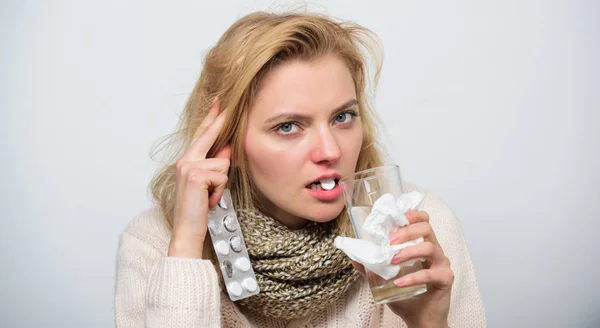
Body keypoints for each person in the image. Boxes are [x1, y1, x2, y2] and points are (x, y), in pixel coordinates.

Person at [114, 11, 486, 327]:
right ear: (228, 144)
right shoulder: (156, 244)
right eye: (288, 126)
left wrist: (427, 324)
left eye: (343, 117)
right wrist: (185, 250)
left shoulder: (418, 232)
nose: (330, 151)